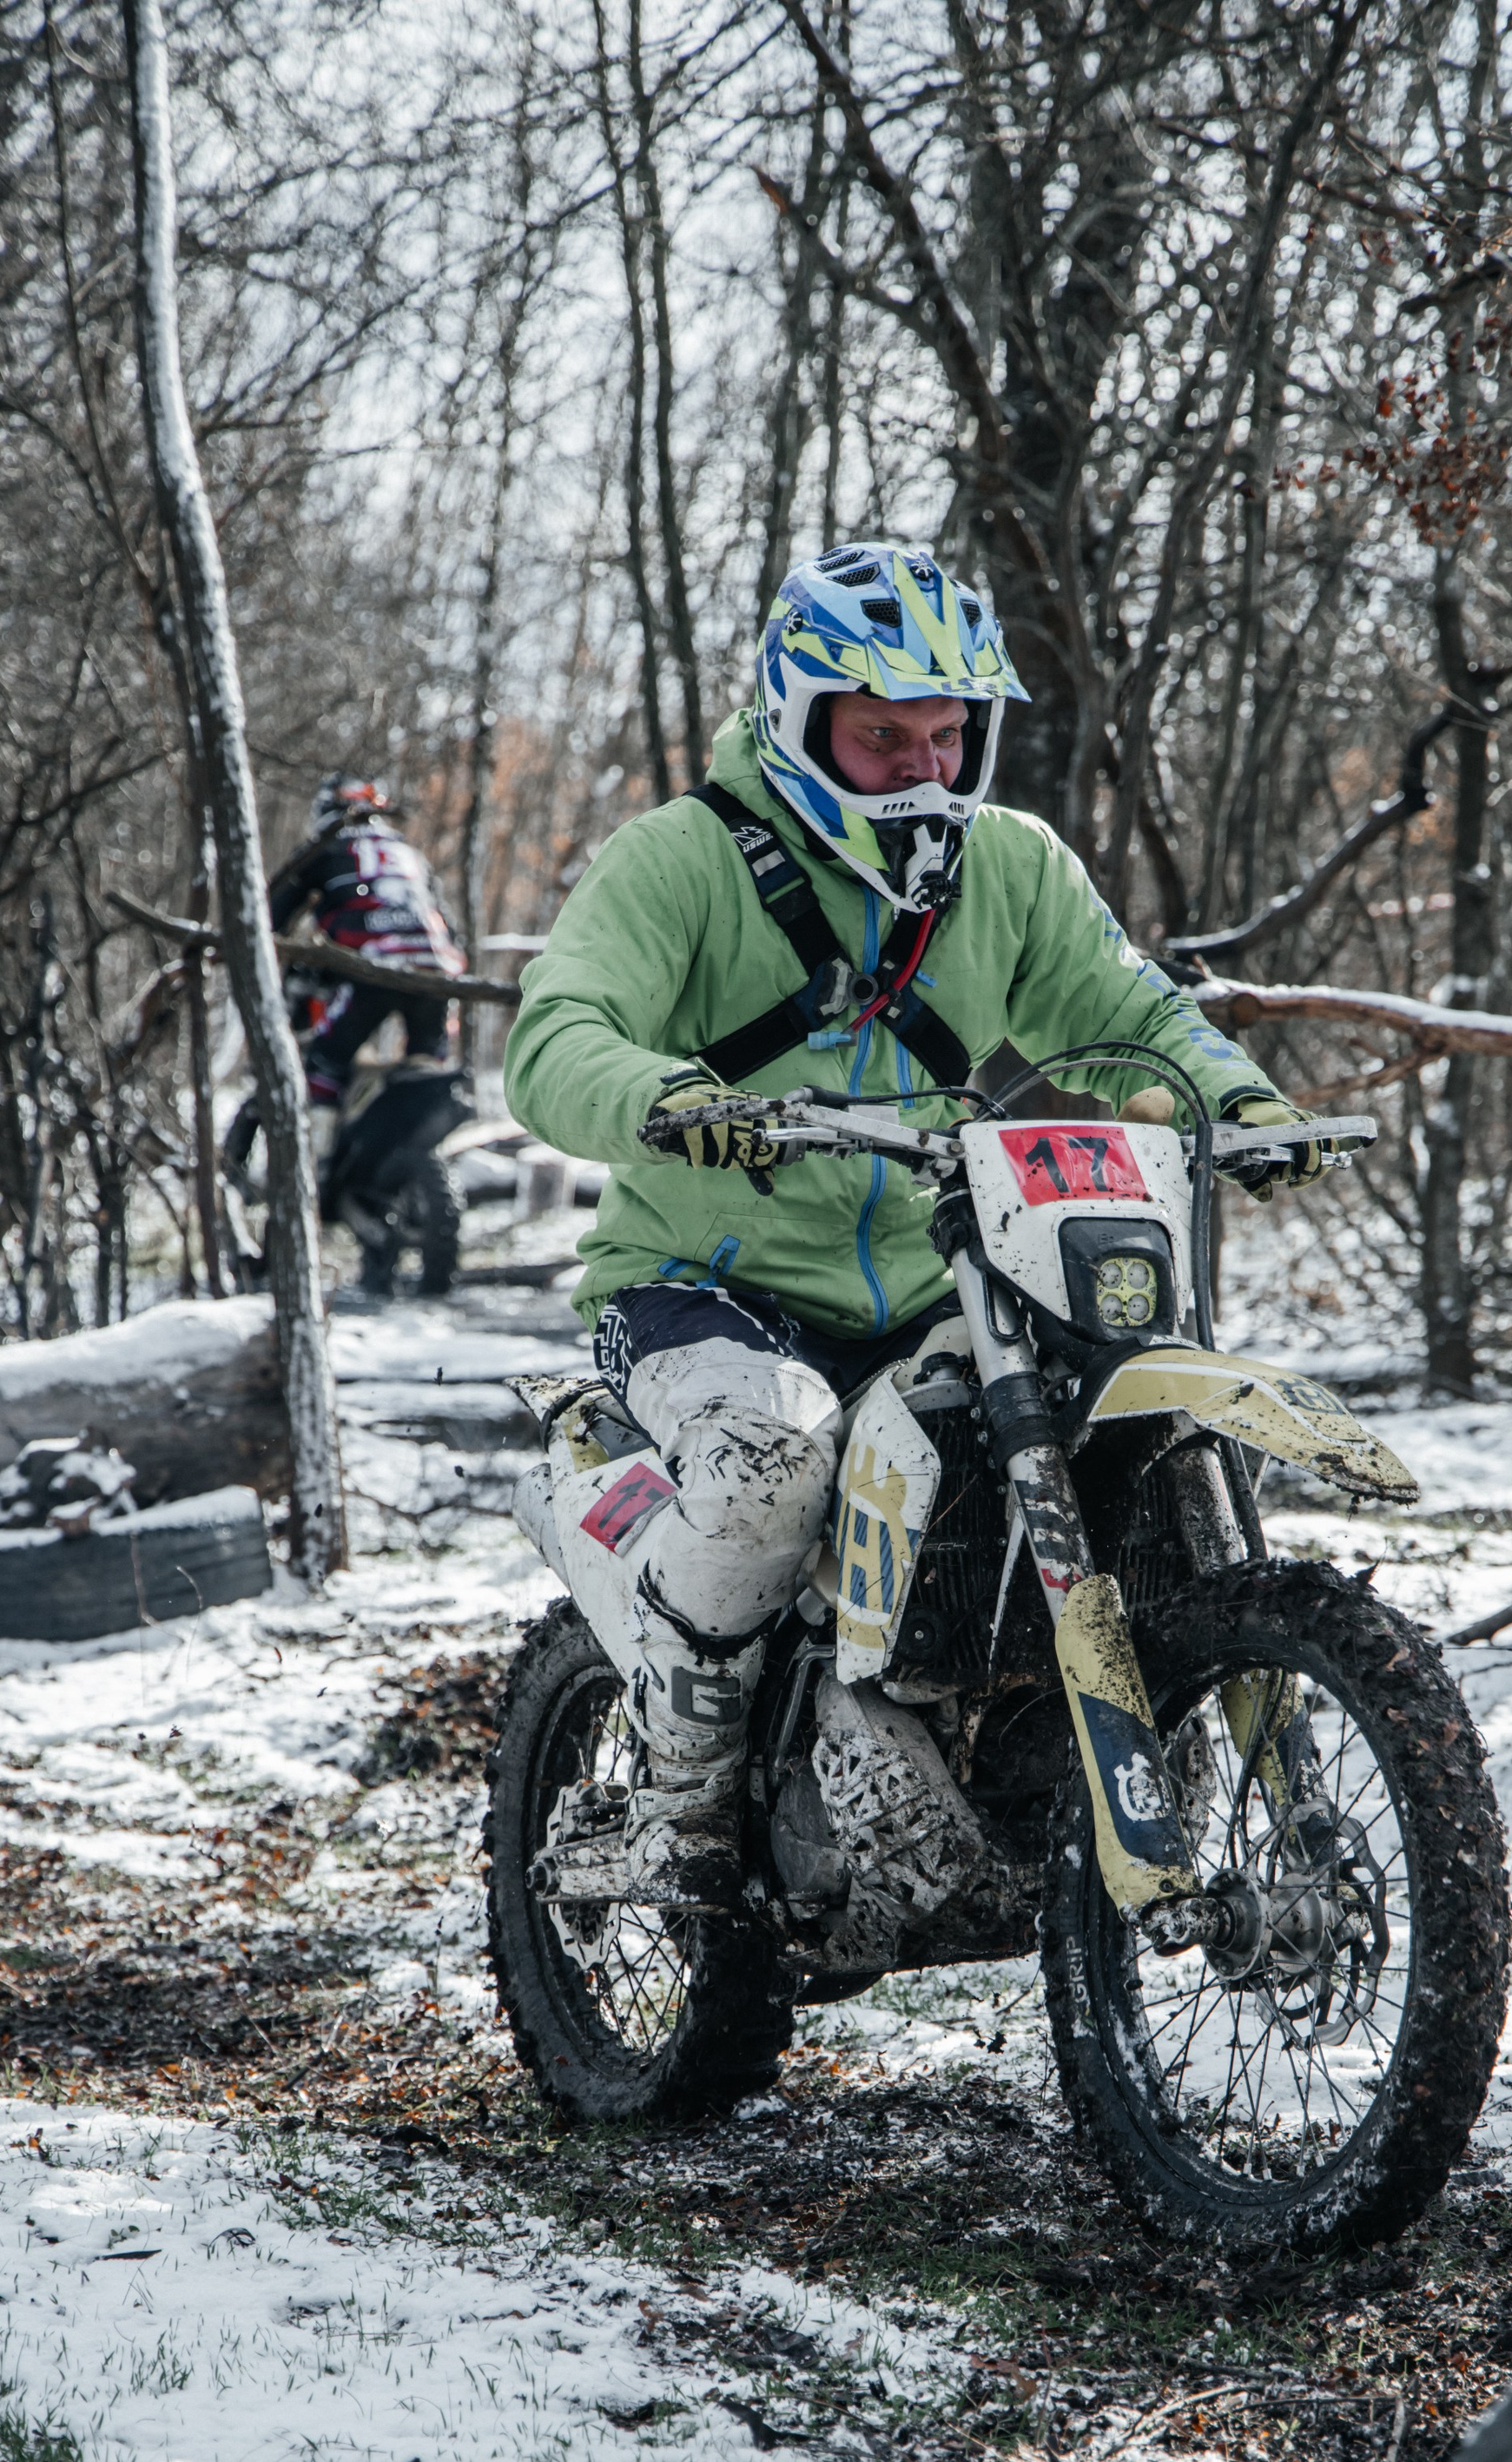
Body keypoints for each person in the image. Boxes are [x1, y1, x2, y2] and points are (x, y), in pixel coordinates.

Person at [502, 541, 1321, 1909]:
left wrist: (1233, 1101)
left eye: (949, 733)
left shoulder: (1008, 867)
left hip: (941, 1280)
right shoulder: (684, 859)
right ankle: (680, 1796)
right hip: (706, 1286)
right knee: (773, 1460)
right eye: (883, 735)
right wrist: (670, 1097)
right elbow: (555, 1035)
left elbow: (1131, 1014)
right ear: (796, 713)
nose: (924, 767)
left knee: (1116, 1424)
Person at [268, 776, 465, 1110]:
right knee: (427, 1071)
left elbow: (270, 917)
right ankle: (418, 1141)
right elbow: (451, 931)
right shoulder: (407, 851)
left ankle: (317, 1152)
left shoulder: (322, 847)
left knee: (324, 1066)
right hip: (437, 970)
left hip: (370, 968)